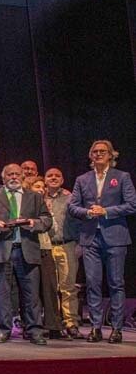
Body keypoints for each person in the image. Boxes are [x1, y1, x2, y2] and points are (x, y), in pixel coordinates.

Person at [0, 163, 52, 345]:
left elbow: (47, 220)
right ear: (3, 177)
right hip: (2, 250)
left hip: (27, 249)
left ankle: (34, 331)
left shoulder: (34, 197)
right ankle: (3, 329)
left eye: (17, 174)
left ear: (22, 177)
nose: (14, 177)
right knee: (2, 293)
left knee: (31, 294)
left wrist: (35, 223)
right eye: (9, 174)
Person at [68, 140, 136, 344]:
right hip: (90, 238)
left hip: (115, 236)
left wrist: (106, 211)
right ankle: (96, 327)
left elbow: (132, 205)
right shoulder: (82, 179)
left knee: (116, 283)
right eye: (94, 152)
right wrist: (87, 212)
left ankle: (116, 328)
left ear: (111, 155)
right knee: (93, 283)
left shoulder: (122, 177)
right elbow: (72, 207)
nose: (98, 154)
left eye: (102, 151)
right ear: (90, 156)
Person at [44, 167, 83, 338]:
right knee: (50, 288)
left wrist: (80, 244)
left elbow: (81, 221)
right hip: (46, 246)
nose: (53, 178)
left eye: (57, 176)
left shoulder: (71, 198)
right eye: (50, 175)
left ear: (62, 179)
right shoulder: (39, 198)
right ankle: (54, 322)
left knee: (68, 286)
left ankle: (71, 322)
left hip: (67, 244)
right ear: (44, 179)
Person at [29, 178, 68, 340]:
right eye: (36, 186)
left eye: (42, 187)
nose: (40, 189)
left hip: (45, 249)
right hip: (28, 250)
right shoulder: (25, 205)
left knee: (50, 289)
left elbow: (53, 229)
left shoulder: (45, 207)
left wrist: (44, 220)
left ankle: (53, 325)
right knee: (31, 291)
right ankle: (31, 325)